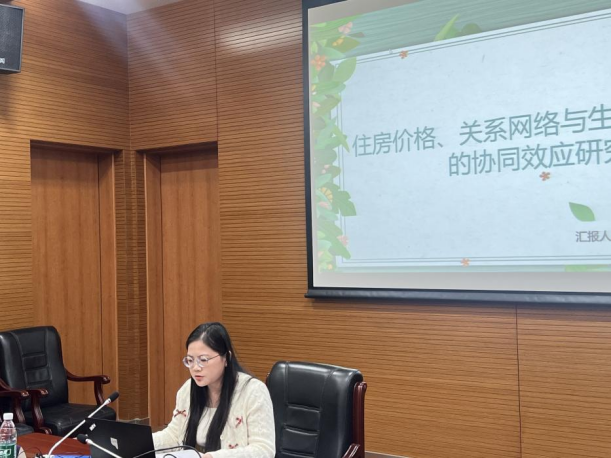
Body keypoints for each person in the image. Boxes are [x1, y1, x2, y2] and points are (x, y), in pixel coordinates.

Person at [153, 322, 275, 458]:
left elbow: (264, 450)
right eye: (190, 360)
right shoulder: (188, 389)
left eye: (203, 360)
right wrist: (143, 443)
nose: (195, 368)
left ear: (226, 358)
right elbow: (174, 435)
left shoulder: (253, 392)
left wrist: (213, 457)